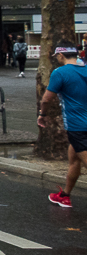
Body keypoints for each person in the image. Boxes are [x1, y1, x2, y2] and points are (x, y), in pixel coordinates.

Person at [41, 41, 87, 208]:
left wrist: (42, 114)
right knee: (74, 160)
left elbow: (46, 99)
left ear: (60, 55)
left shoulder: (60, 73)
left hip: (77, 126)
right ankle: (65, 195)